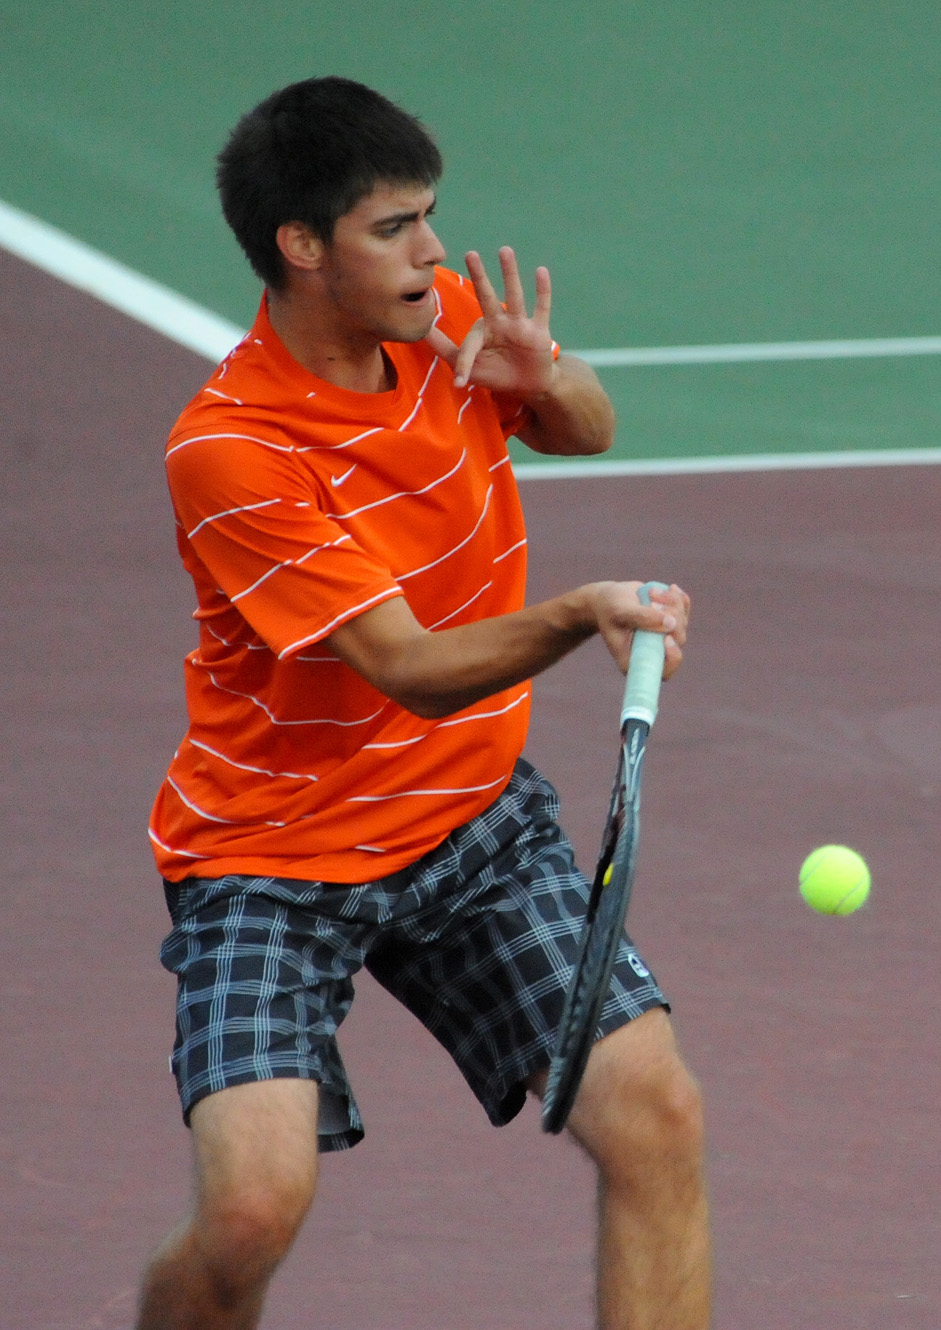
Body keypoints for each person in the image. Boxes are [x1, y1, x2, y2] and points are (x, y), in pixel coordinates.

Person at [137, 76, 710, 1330]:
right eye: (393, 225)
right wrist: (573, 612)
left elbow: (587, 429)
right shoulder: (232, 449)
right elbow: (399, 661)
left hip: (467, 821)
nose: (433, 249)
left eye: (429, 217)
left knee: (652, 1113)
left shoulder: (438, 317)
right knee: (247, 1217)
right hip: (271, 858)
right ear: (301, 244)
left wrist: (540, 376)